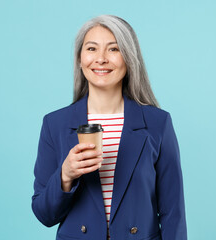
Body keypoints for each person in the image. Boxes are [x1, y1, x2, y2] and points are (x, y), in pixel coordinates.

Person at [31, 15, 187, 240]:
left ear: (129, 58)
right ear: (80, 58)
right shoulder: (54, 124)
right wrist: (66, 175)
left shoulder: (158, 123)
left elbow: (174, 213)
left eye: (113, 49)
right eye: (92, 49)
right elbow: (44, 214)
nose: (101, 59)